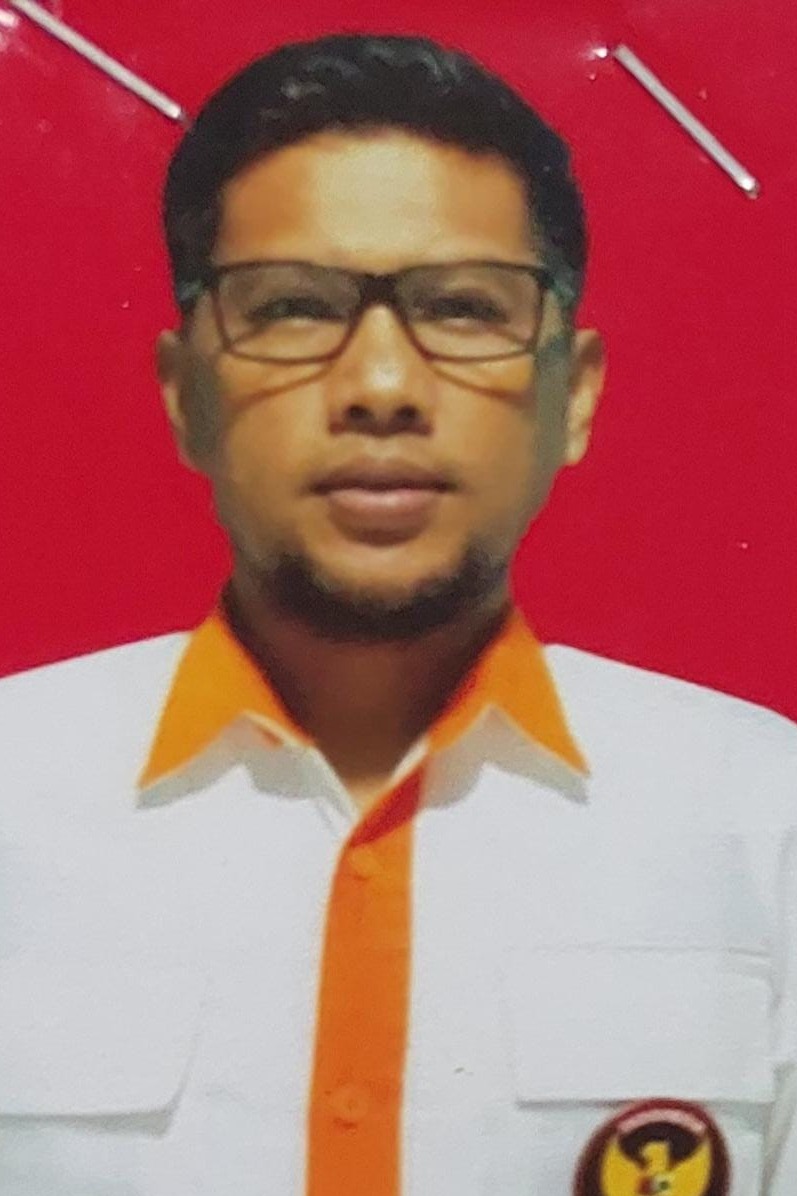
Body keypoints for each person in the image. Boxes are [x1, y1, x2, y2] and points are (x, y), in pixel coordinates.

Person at [0, 32, 794, 1196]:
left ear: (572, 396)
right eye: (290, 306)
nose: (379, 386)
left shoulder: (763, 818)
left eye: (464, 307)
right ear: (185, 396)